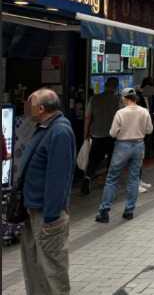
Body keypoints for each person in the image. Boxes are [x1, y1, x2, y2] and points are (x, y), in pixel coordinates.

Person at [20, 89, 75, 295]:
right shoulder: (45, 127)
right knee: (35, 267)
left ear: (41, 108)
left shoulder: (59, 131)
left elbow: (58, 177)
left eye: (30, 105)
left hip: (47, 215)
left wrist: (51, 218)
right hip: (34, 210)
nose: (27, 109)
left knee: (52, 269)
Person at [95, 88, 153, 223]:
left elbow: (112, 133)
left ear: (124, 98)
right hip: (139, 145)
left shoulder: (120, 113)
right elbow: (149, 130)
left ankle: (104, 212)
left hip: (122, 146)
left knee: (112, 178)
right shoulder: (144, 111)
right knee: (134, 178)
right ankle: (129, 211)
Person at [82, 77, 121, 195]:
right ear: (116, 87)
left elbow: (88, 117)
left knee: (93, 159)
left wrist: (85, 133)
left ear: (105, 85)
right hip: (112, 136)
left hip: (97, 134)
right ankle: (110, 185)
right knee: (112, 160)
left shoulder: (94, 99)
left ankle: (87, 178)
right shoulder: (118, 100)